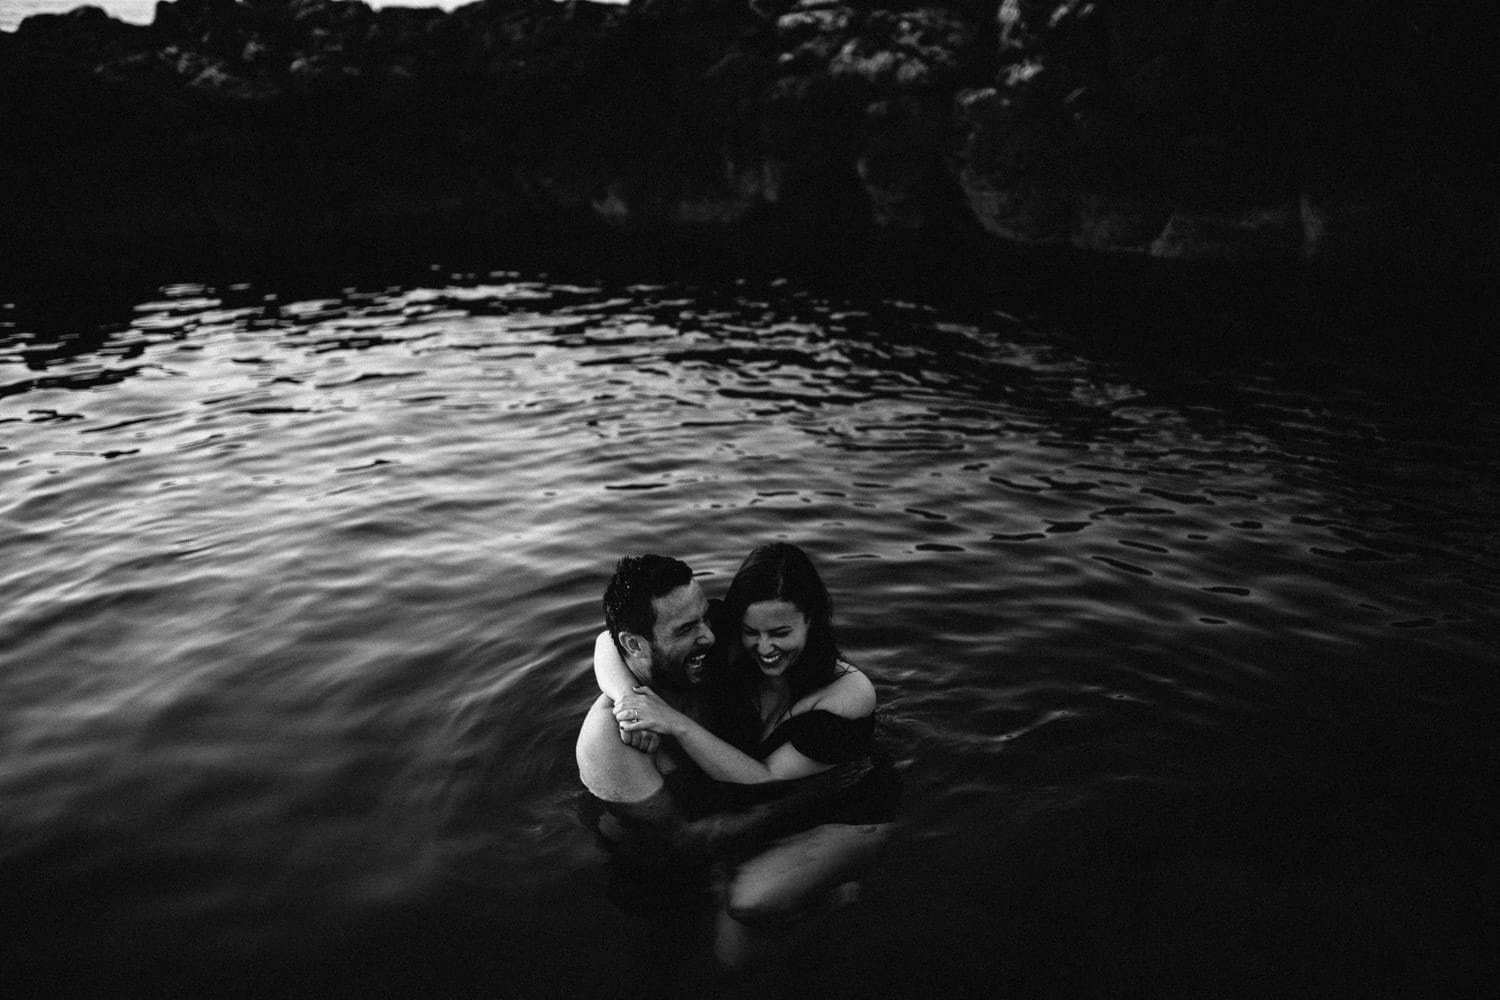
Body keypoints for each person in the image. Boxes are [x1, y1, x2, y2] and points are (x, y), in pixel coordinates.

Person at [596, 542, 897, 972]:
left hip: (845, 803)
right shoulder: (725, 632)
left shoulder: (848, 693)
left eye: (780, 634)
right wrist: (629, 700)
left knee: (747, 902)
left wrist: (674, 722)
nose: (763, 648)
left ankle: (834, 898)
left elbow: (764, 777)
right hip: (767, 799)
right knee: (729, 958)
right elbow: (609, 641)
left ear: (811, 620)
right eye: (751, 632)